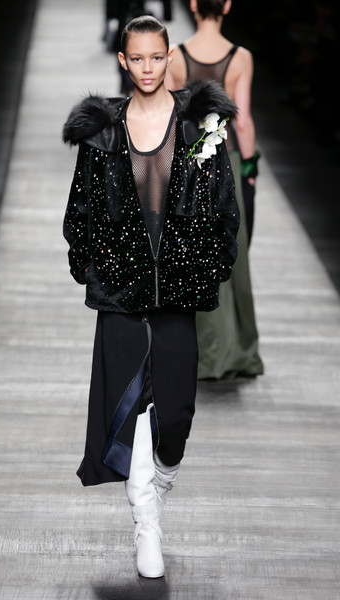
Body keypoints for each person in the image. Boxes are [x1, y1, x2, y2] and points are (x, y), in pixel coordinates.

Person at [62, 15, 239, 578]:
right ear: (123, 60)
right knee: (129, 408)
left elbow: (223, 203)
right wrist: (88, 264)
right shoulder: (104, 132)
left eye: (156, 57)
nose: (146, 68)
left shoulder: (198, 126)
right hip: (121, 289)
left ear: (169, 58)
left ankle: (160, 483)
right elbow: (81, 207)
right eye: (136, 58)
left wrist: (215, 263)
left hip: (178, 290)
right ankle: (146, 522)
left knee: (177, 414)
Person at [165, 0, 264, 380]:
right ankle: (238, 352)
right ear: (227, 5)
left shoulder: (176, 57)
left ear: (192, 4)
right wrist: (249, 169)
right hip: (228, 164)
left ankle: (199, 352)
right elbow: (244, 121)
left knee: (192, 254)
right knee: (231, 252)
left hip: (188, 166)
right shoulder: (240, 57)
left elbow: (170, 118)